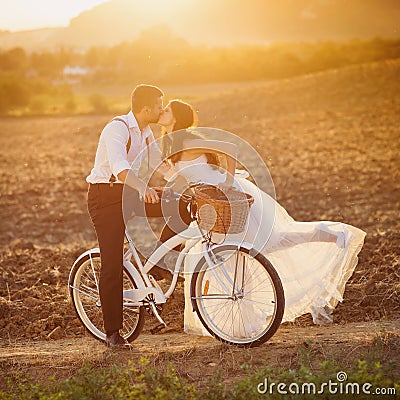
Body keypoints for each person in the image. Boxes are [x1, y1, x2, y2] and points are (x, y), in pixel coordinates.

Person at [156, 99, 366, 333]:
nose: (161, 111)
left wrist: (227, 182)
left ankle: (330, 234)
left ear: (177, 117)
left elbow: (230, 148)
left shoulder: (189, 139)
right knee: (230, 259)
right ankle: (237, 324)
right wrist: (168, 173)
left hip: (228, 198)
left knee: (265, 246)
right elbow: (188, 178)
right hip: (209, 205)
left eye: (166, 110)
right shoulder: (171, 144)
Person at [86, 85, 191, 348]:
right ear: (146, 108)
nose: (161, 109)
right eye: (158, 105)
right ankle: (112, 333)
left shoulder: (145, 133)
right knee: (112, 263)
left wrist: (185, 183)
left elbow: (160, 163)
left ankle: (159, 261)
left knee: (183, 205)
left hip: (130, 193)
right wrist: (144, 188)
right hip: (106, 198)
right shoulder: (117, 129)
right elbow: (120, 167)